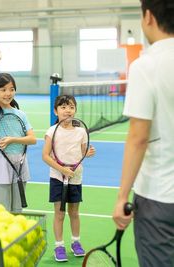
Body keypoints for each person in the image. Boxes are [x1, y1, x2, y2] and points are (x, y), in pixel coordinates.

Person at [113, 1, 174, 266]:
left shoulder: (145, 66)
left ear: (148, 16)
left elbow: (138, 137)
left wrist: (121, 197)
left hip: (159, 197)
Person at [0, 43, 36, 213]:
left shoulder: (20, 114)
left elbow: (32, 139)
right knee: (4, 209)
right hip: (0, 160)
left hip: (20, 161)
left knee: (17, 209)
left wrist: (13, 139)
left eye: (11, 89)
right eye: (3, 89)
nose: (8, 93)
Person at [42, 95, 95, 262]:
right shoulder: (52, 131)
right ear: (56, 111)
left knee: (74, 212)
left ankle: (76, 242)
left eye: (71, 107)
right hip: (58, 178)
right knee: (59, 213)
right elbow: (45, 156)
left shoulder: (81, 132)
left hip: (75, 177)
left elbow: (83, 152)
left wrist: (89, 152)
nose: (67, 110)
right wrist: (61, 169)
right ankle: (59, 245)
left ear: (75, 110)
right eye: (63, 107)